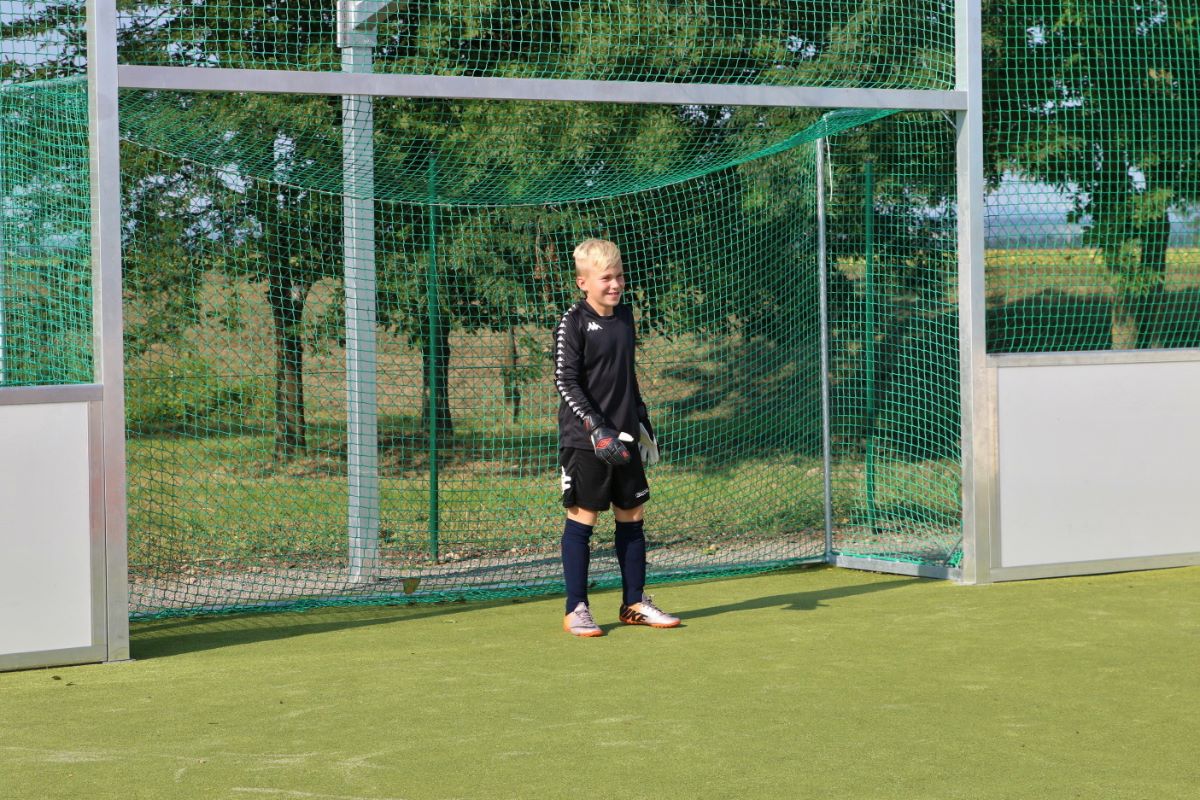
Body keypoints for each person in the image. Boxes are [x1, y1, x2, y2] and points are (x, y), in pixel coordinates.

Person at [553, 238, 680, 637]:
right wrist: (596, 426)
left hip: (625, 439)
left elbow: (626, 374)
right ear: (583, 283)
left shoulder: (625, 316)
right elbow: (565, 381)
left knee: (633, 515)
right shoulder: (573, 322)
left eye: (619, 276)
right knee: (583, 519)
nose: (615, 284)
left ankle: (634, 603)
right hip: (585, 440)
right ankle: (576, 609)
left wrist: (640, 418)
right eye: (606, 278)